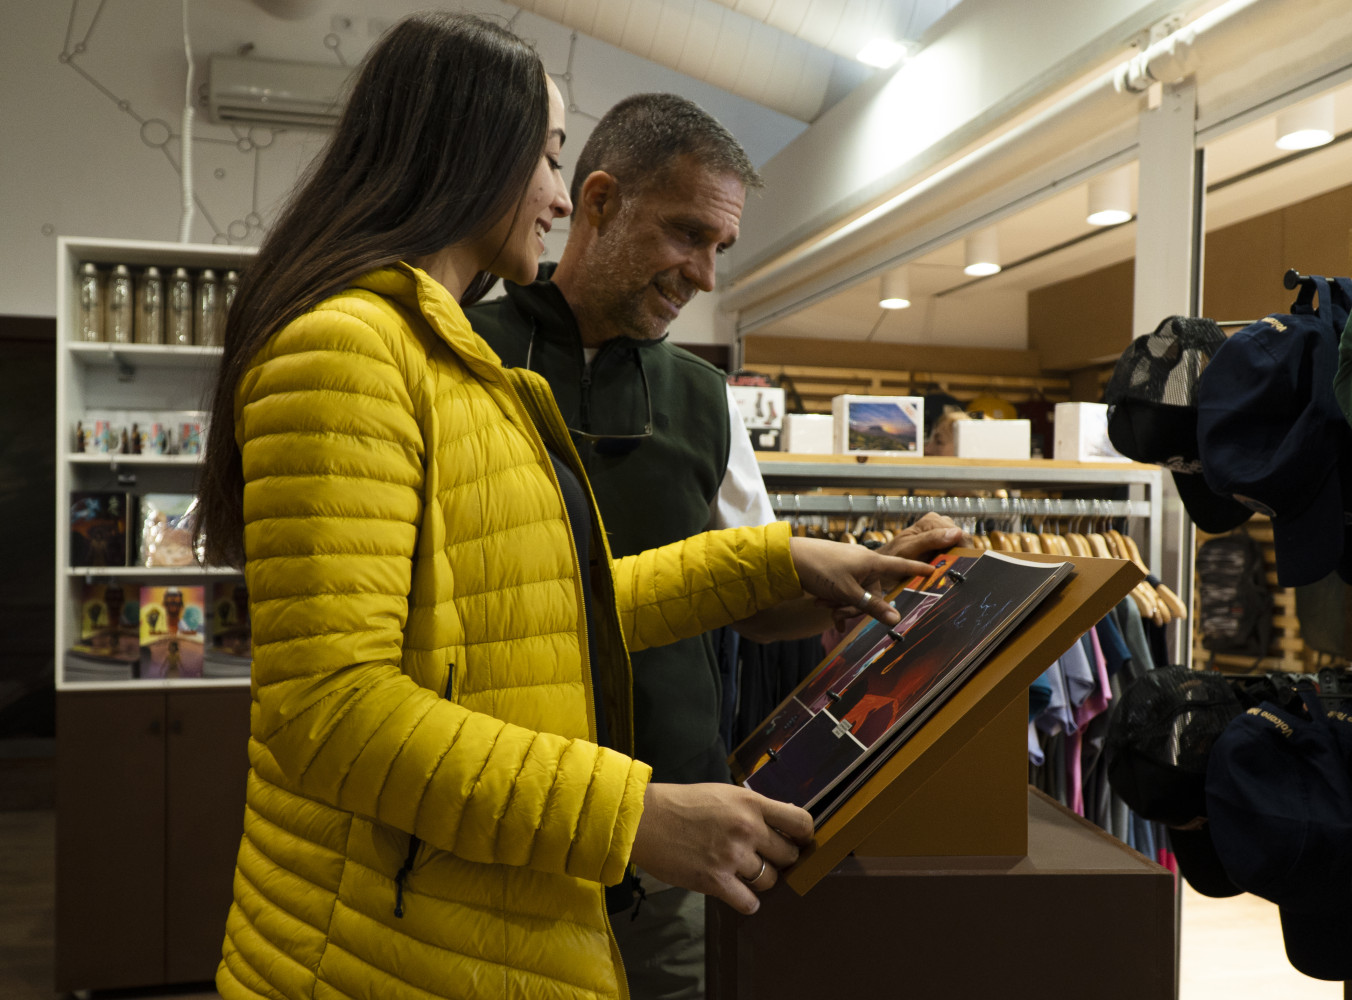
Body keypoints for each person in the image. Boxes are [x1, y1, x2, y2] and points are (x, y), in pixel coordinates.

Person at [193, 13, 932, 1000]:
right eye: (544, 156)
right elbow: (331, 713)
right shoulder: (350, 350)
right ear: (467, 151)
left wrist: (777, 561)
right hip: (384, 945)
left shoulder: (437, 357)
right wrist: (632, 817)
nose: (550, 193)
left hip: (464, 914)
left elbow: (533, 620)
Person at [468, 93, 963, 997]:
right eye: (687, 234)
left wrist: (862, 575)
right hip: (501, 823)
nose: (704, 275)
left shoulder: (706, 398)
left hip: (677, 831)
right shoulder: (460, 355)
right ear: (601, 201)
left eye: (718, 250)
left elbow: (754, 597)